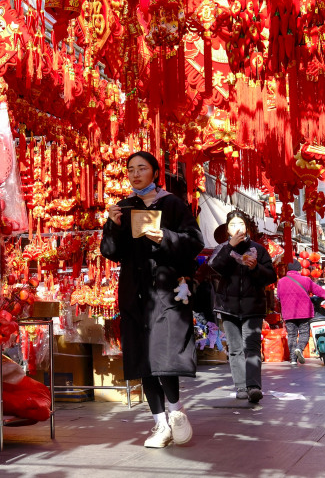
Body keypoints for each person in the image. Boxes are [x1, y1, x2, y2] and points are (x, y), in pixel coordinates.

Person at [101, 151, 204, 448]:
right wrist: (112, 226)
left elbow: (194, 243)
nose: (135, 174)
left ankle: (175, 410)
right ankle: (159, 422)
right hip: (134, 294)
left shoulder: (172, 204)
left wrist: (162, 236)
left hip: (167, 292)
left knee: (165, 357)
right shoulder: (123, 207)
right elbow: (109, 252)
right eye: (130, 169)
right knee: (143, 360)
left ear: (155, 172)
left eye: (141, 168)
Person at [208, 211, 276, 405]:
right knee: (236, 349)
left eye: (241, 223)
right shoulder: (223, 248)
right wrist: (230, 247)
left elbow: (271, 276)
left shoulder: (259, 250)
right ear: (227, 229)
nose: (237, 227)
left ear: (246, 227)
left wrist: (256, 268)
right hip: (227, 307)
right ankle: (240, 387)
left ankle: (254, 387)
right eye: (232, 224)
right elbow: (214, 265)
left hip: (252, 306)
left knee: (252, 347)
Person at [277, 261, 325, 365]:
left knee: (292, 335)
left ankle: (293, 360)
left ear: (288, 270)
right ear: (299, 269)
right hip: (304, 312)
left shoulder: (281, 282)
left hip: (288, 313)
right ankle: (299, 348)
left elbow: (278, 297)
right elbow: (318, 290)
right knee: (304, 333)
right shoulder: (305, 280)